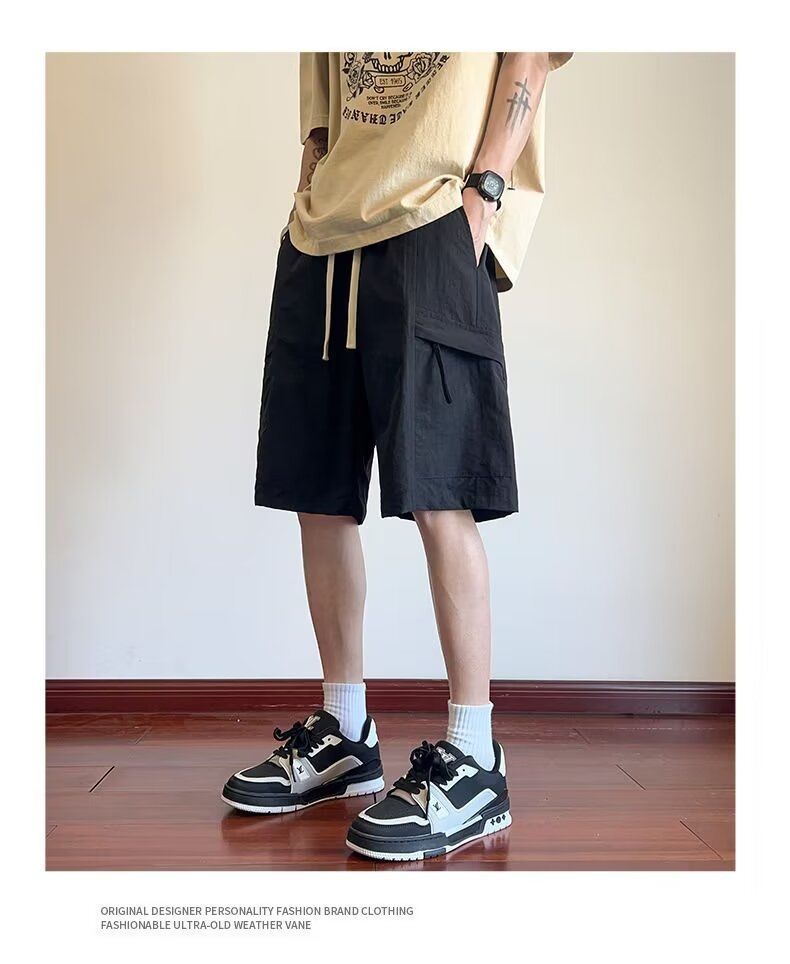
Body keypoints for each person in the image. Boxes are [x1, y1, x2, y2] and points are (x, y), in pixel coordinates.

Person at [222, 51, 572, 861]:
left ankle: (475, 758)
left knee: (440, 492)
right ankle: (345, 733)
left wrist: (485, 193)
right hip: (322, 234)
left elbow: (529, 52)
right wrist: (307, 193)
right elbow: (322, 93)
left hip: (432, 216)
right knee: (318, 492)